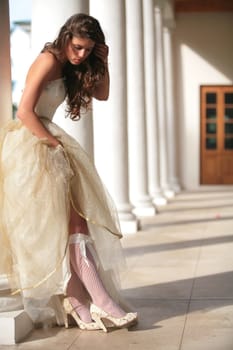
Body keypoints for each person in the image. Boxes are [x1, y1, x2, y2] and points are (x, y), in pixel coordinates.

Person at [0, 13, 137, 332]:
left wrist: (103, 62)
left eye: (88, 50)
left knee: (76, 224)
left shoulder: (75, 64)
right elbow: (24, 112)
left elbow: (102, 95)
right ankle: (99, 302)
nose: (81, 55)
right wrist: (54, 147)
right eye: (77, 47)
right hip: (34, 143)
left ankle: (79, 300)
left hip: (51, 141)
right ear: (65, 39)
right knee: (68, 225)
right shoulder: (49, 59)